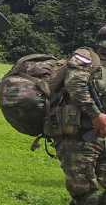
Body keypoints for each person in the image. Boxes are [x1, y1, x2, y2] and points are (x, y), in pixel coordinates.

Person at [54, 25, 106, 204]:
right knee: (85, 195)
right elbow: (75, 85)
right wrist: (95, 114)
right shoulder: (85, 56)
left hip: (101, 136)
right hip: (79, 135)